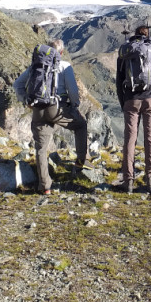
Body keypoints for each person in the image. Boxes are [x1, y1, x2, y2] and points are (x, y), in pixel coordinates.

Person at [14, 39, 90, 194]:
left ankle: (44, 186)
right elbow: (73, 90)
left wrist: (25, 101)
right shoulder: (63, 66)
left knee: (41, 148)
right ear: (60, 53)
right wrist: (74, 106)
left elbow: (17, 85)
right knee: (80, 125)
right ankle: (82, 160)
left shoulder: (36, 67)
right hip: (57, 108)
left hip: (37, 109)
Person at [116, 25, 151, 193]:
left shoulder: (125, 50)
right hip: (150, 98)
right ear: (147, 34)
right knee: (150, 138)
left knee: (130, 140)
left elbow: (119, 80)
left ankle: (128, 181)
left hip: (131, 99)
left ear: (134, 35)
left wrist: (123, 101)